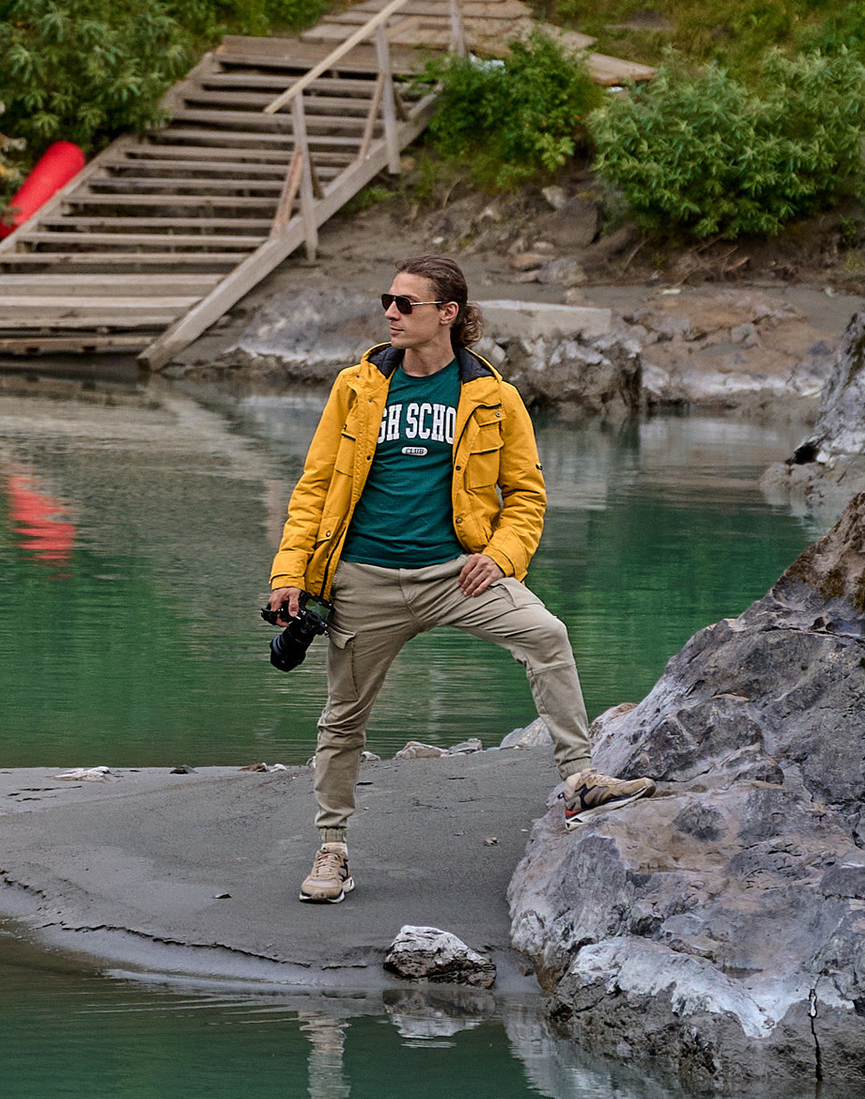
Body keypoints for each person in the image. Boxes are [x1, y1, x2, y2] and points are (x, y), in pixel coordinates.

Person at [266, 253, 651, 903]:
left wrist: (499, 557)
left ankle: (581, 778)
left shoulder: (493, 397)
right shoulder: (356, 388)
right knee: (342, 720)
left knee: (547, 635)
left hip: (459, 573)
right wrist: (290, 573)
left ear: (448, 313)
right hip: (364, 580)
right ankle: (332, 849)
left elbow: (526, 494)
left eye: (405, 303)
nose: (390, 312)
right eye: (388, 300)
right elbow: (313, 487)